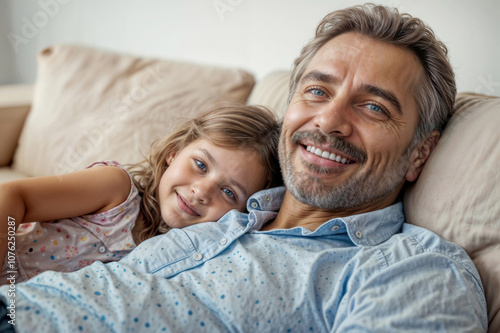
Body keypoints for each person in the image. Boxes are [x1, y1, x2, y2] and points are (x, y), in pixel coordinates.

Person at [0, 4, 487, 332]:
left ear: (420, 153)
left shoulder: (414, 268)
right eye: (317, 91)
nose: (330, 121)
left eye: (375, 107)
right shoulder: (230, 217)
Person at [0, 103, 282, 283]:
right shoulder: (116, 190)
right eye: (200, 165)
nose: (201, 191)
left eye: (228, 192)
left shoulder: (187, 257)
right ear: (174, 153)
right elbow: (12, 196)